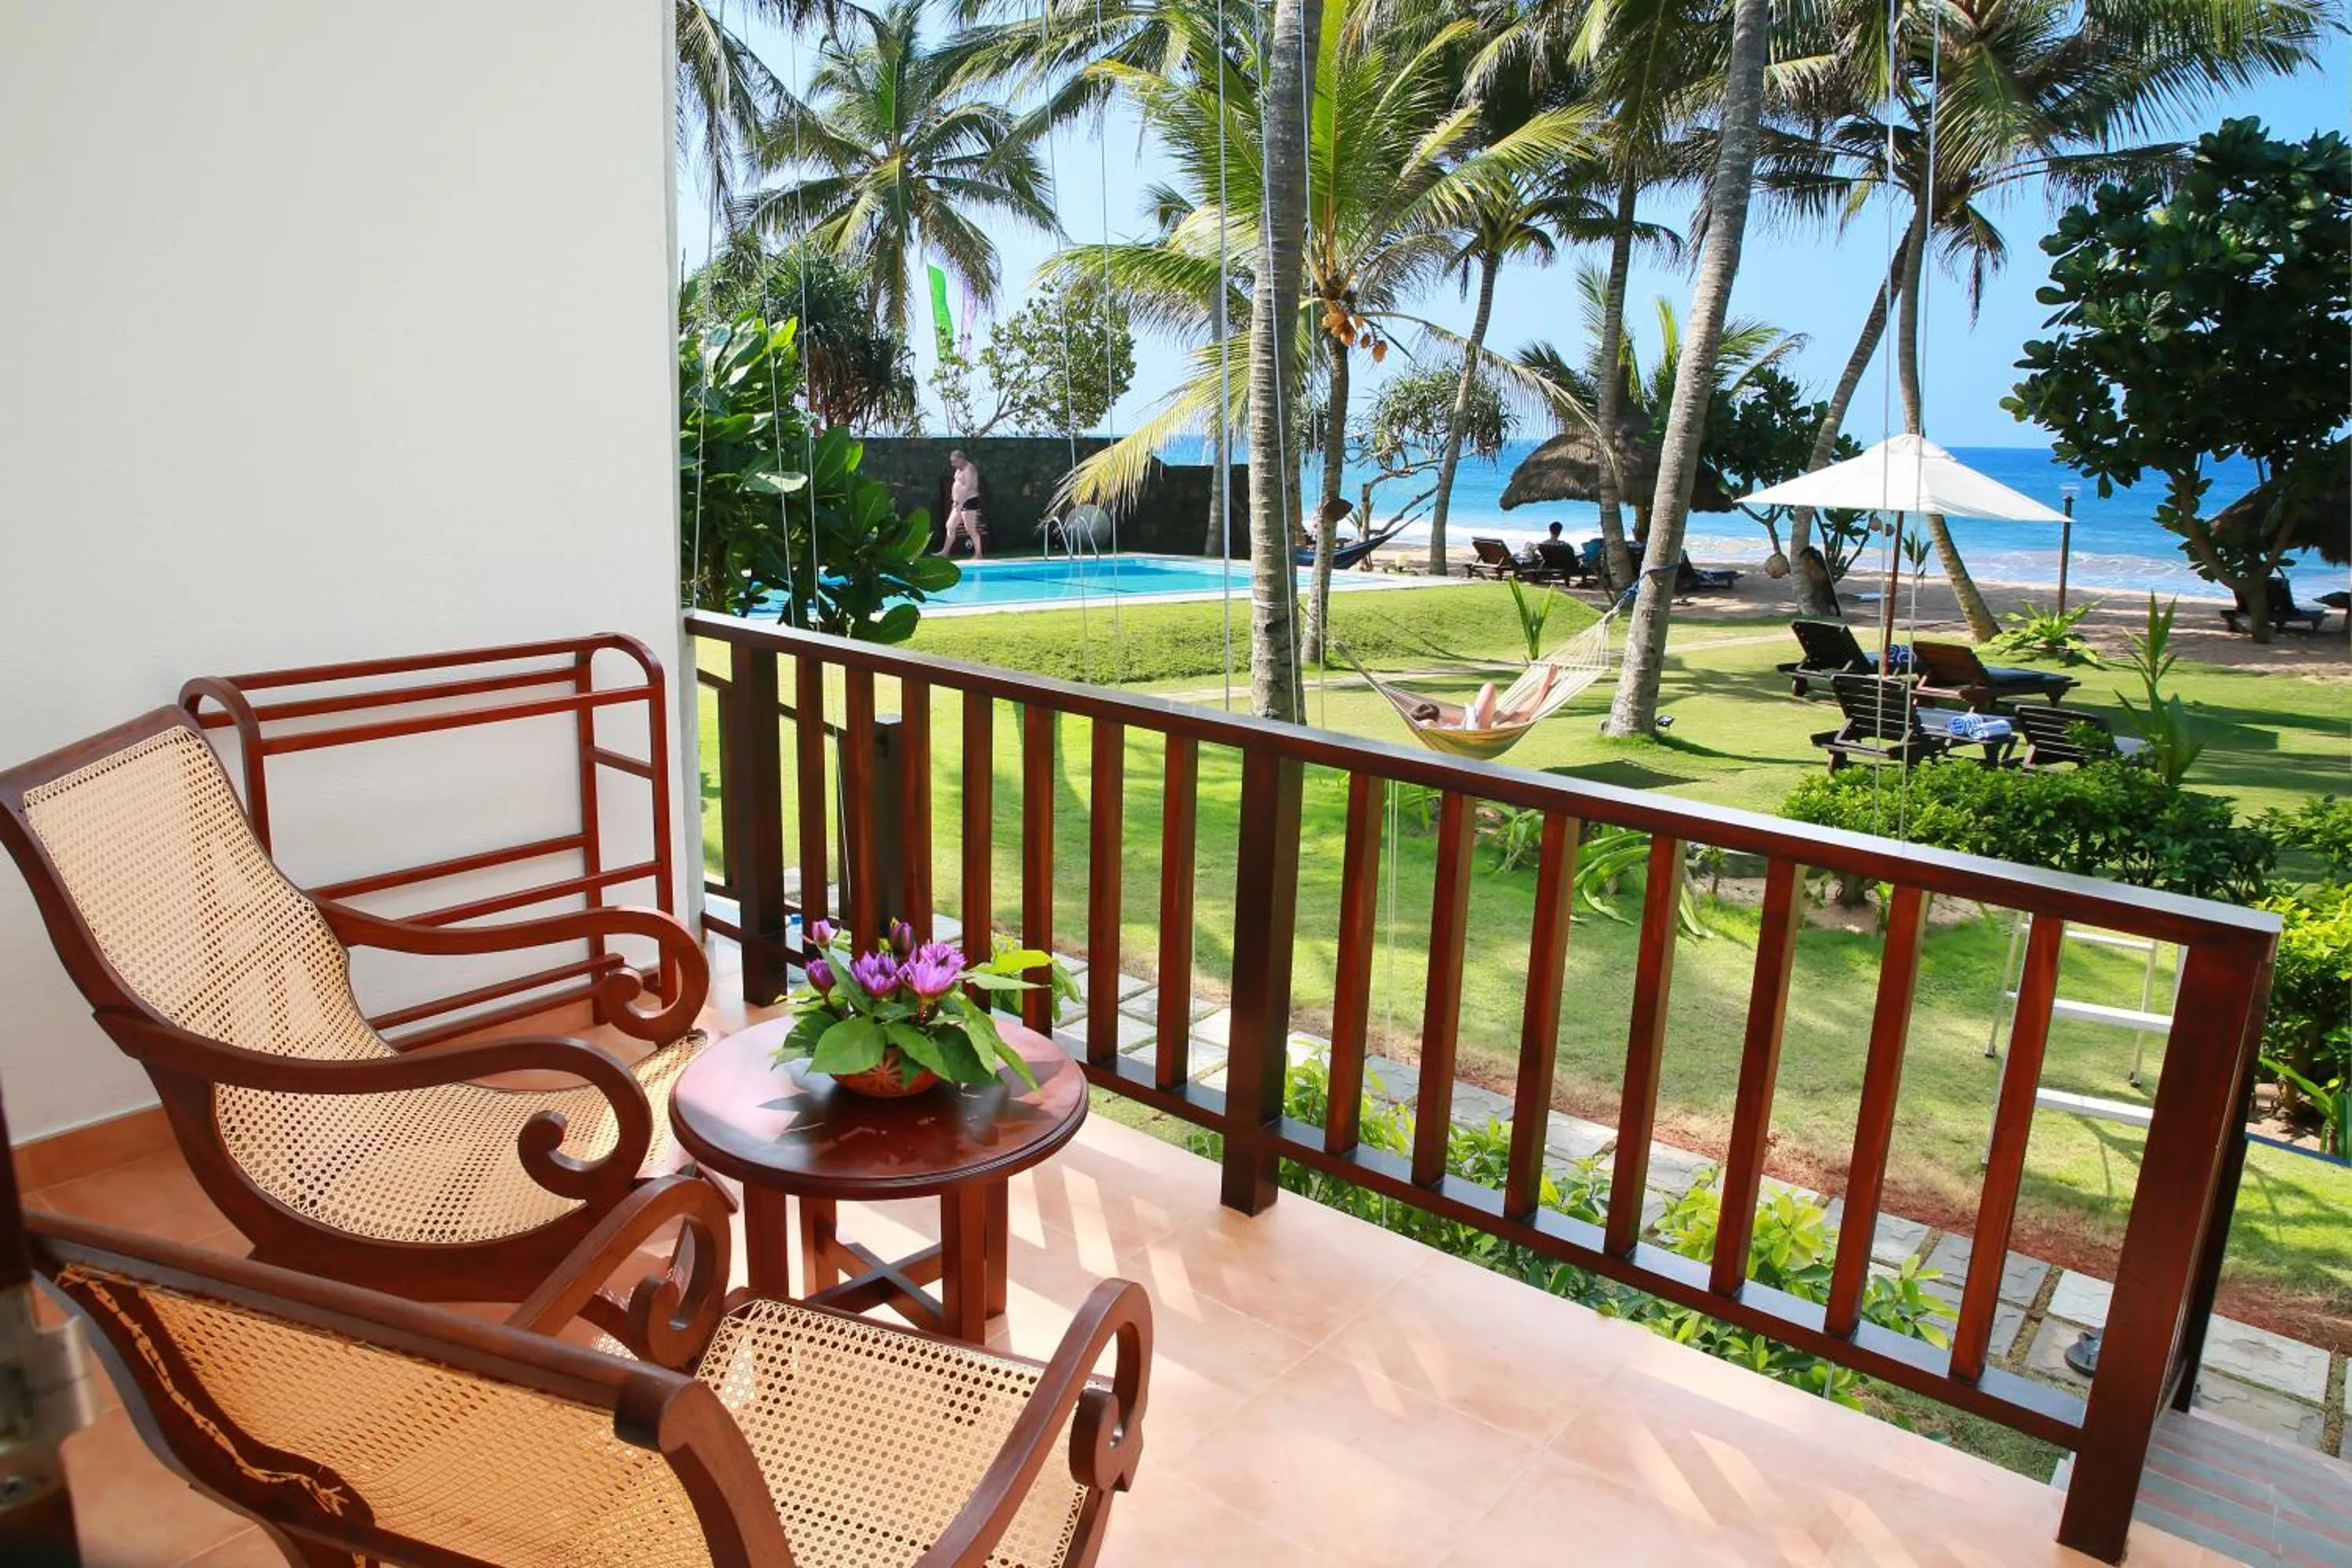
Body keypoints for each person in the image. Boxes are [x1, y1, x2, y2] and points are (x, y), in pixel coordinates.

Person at [939, 449, 986, 558]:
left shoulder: (969, 468)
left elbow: (970, 486)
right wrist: (956, 501)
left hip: (968, 500)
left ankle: (978, 553)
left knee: (970, 529)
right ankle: (945, 552)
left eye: (954, 461)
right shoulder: (960, 470)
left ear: (961, 459)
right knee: (950, 526)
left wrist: (961, 501)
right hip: (958, 503)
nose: (953, 464)